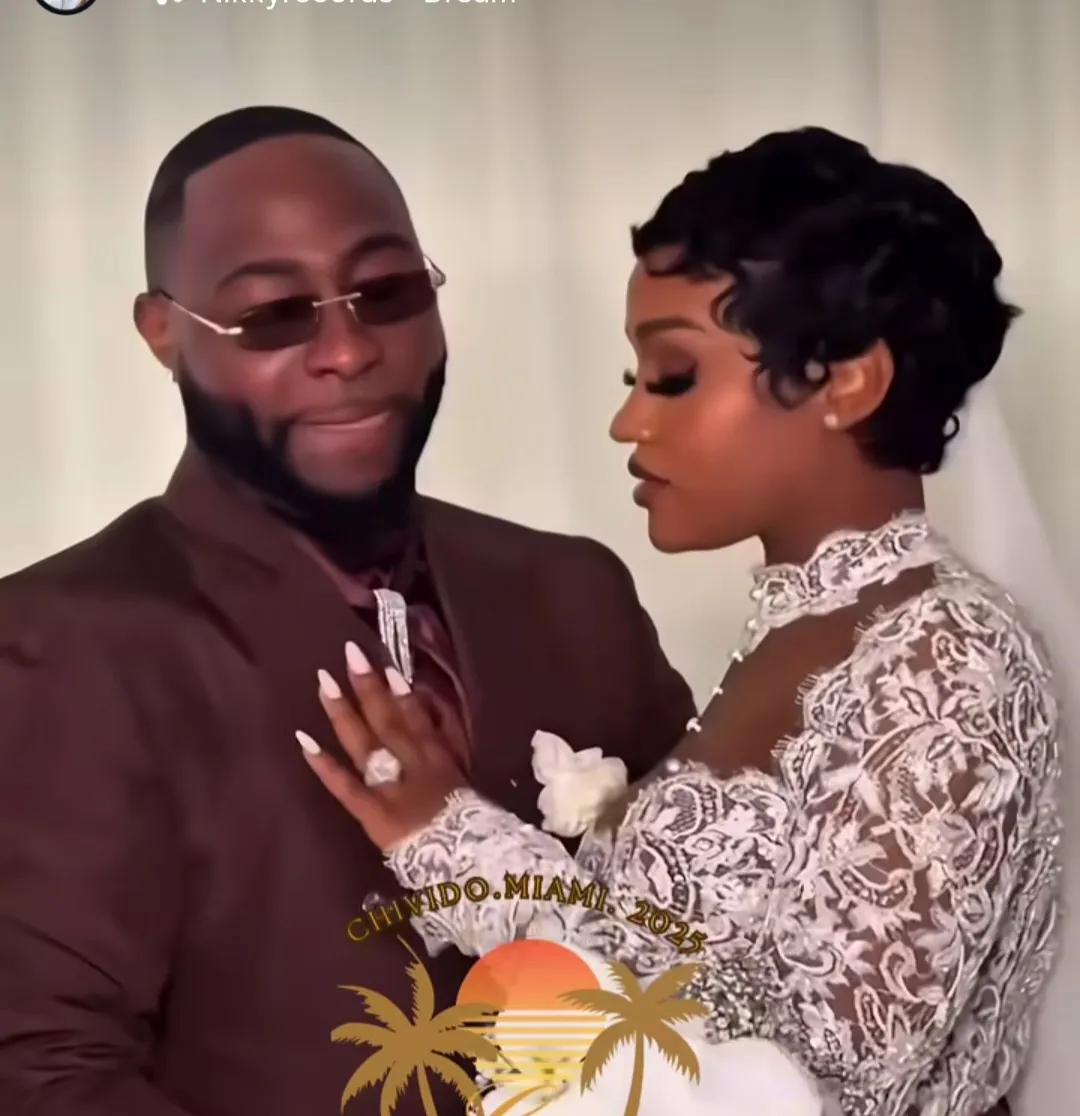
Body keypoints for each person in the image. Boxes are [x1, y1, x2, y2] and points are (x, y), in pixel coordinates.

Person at [301, 128, 1062, 1115]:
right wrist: (446, 833)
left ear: (849, 382)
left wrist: (459, 844)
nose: (630, 422)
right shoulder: (806, 633)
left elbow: (821, 1086)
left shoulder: (951, 660)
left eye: (671, 375)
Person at [0, 108, 696, 1116]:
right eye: (274, 313)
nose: (347, 349)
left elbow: (704, 950)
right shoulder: (62, 645)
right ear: (163, 333)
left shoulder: (574, 591)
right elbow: (43, 1072)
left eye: (388, 291)